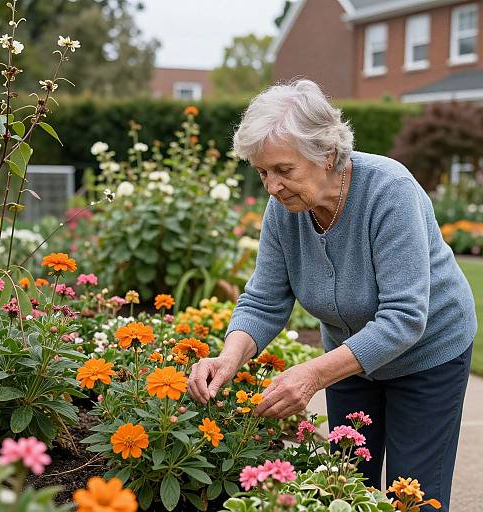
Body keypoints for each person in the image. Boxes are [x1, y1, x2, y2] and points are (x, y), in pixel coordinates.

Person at [187, 80, 477, 511]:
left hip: (428, 355)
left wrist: (313, 375)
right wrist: (228, 358)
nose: (271, 186)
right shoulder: (284, 211)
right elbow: (264, 299)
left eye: (283, 170)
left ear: (327, 154)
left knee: (413, 495)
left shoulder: (389, 190)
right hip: (350, 361)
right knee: (343, 486)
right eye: (262, 172)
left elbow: (404, 318)